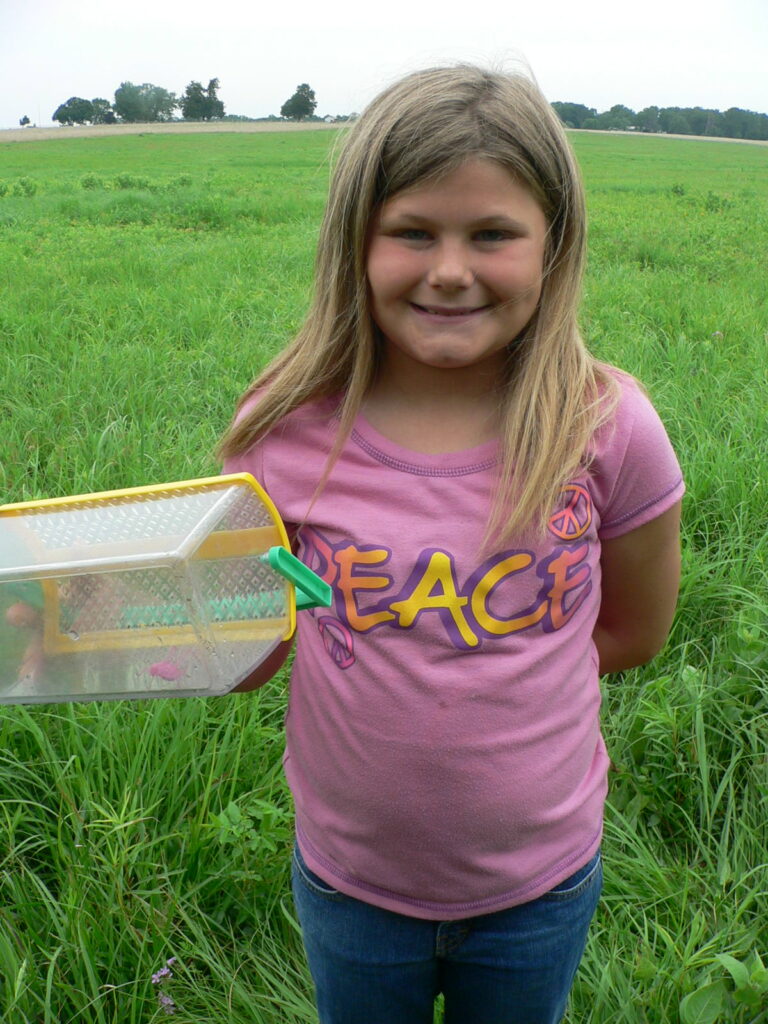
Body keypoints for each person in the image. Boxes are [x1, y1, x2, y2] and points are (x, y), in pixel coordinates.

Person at [218, 64, 684, 1024]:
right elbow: (250, 641)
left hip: (540, 885)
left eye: (494, 234)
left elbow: (632, 631)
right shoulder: (286, 424)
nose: (449, 269)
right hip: (351, 883)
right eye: (412, 232)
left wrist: (483, 669)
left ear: (554, 245)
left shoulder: (607, 427)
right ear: (356, 241)